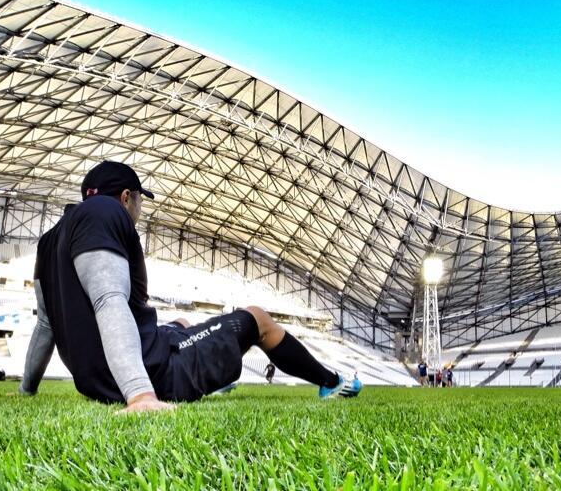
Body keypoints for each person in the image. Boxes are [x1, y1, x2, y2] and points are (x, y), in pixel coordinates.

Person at [20, 161, 361, 410]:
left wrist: (27, 390)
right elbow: (109, 299)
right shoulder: (105, 212)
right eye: (140, 200)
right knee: (257, 318)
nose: (139, 209)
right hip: (151, 374)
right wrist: (140, 395)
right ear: (126, 197)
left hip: (97, 382)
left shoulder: (50, 240)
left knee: (181, 323)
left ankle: (217, 377)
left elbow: (46, 325)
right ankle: (332, 382)